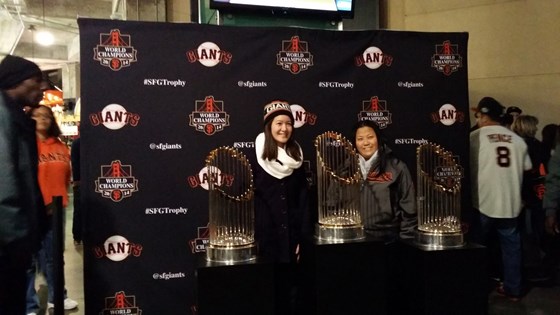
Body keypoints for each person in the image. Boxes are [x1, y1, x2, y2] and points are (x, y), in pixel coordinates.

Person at [250, 100, 310, 315]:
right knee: (266, 293)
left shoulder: (297, 157)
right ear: (269, 126)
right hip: (265, 239)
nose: (284, 128)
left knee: (291, 293)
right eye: (278, 123)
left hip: (292, 238)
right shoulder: (254, 157)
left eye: (288, 123)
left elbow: (303, 199)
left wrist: (302, 238)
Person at [470, 97, 532, 301]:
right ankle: (513, 289)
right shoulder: (517, 140)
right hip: (510, 203)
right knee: (512, 249)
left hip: (482, 202)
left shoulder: (474, 137)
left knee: (476, 249)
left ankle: (474, 287)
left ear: (483, 115)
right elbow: (527, 170)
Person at [0, 55, 48, 314]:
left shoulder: (12, 114)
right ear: (16, 80)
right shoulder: (2, 114)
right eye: (36, 80)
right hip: (7, 247)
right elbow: (4, 185)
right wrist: (18, 240)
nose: (42, 88)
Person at [26, 105, 78, 313]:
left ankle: (58, 297)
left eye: (47, 116)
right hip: (32, 210)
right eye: (37, 115)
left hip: (56, 209)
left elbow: (65, 176)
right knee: (28, 259)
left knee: (55, 256)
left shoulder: (59, 146)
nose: (43, 119)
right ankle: (29, 304)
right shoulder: (26, 144)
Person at [351, 119, 417, 241]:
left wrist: (406, 241)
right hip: (351, 240)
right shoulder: (344, 170)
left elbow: (409, 209)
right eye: (360, 139)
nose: (365, 143)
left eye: (370, 137)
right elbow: (333, 204)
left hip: (387, 240)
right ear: (354, 143)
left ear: (378, 139)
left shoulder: (397, 167)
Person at [511, 115, 549, 283]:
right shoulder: (539, 146)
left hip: (524, 196)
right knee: (535, 232)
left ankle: (529, 268)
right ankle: (538, 268)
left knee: (526, 234)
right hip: (537, 194)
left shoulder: (518, 146)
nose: (536, 129)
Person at [71, 136, 82, 246]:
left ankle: (77, 236)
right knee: (78, 209)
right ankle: (77, 235)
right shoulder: (77, 143)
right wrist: (77, 180)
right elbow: (74, 162)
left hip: (84, 181)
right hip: (81, 182)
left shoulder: (76, 143)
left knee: (78, 209)